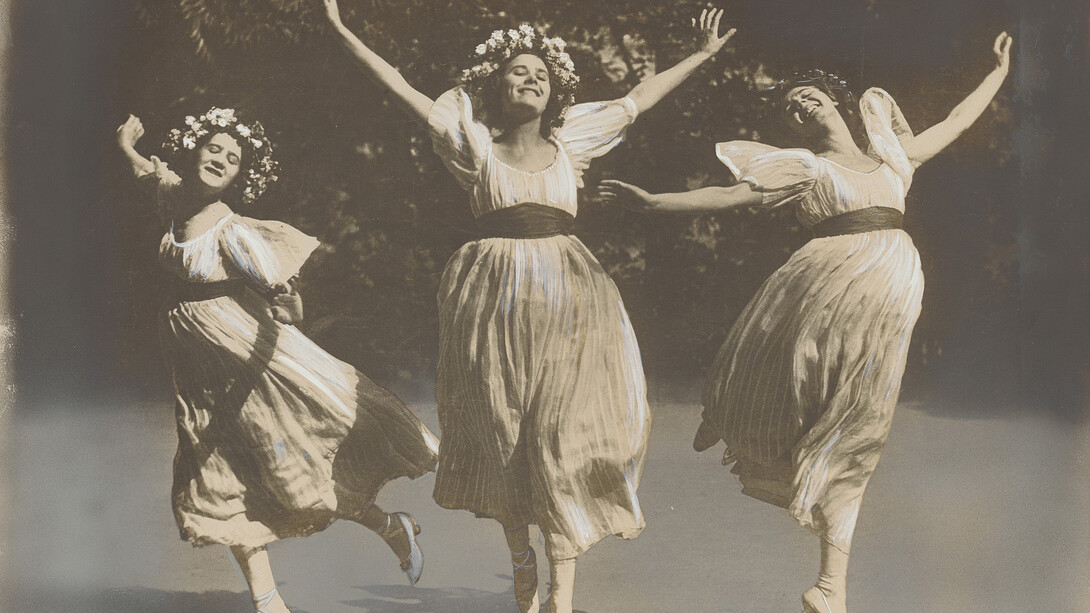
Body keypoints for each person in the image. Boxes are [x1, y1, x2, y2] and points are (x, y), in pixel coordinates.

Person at [322, 3, 735, 611]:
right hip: (491, 300)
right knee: (503, 434)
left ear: (555, 89)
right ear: (496, 85)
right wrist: (342, 31)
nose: (531, 78)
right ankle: (522, 558)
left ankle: (561, 597)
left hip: (571, 298)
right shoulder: (473, 145)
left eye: (541, 72)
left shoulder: (572, 143)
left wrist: (700, 56)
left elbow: (638, 98)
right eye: (518, 70)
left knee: (563, 439)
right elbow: (401, 87)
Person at [598, 32, 1013, 613]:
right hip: (822, 285)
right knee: (797, 380)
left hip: (888, 289)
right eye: (791, 107)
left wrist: (997, 72)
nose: (800, 106)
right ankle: (738, 414)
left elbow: (959, 119)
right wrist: (654, 203)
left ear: (834, 99)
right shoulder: (803, 167)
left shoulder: (896, 156)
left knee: (861, 425)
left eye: (808, 95)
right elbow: (729, 193)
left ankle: (830, 586)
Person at [116, 107, 440, 613]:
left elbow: (282, 291)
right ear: (193, 150)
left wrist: (291, 305)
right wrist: (127, 146)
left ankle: (390, 528)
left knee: (297, 469)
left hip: (248, 360)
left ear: (239, 175)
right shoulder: (176, 197)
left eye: (232, 157)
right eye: (214, 147)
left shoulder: (233, 231)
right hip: (199, 371)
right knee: (219, 471)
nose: (221, 159)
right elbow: (149, 175)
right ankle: (268, 602)